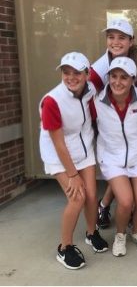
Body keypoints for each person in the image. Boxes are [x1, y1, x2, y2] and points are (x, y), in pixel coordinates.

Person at [39, 52, 108, 270]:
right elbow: (58, 143)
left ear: (87, 74)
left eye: (76, 72)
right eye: (66, 72)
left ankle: (91, 233)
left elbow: (109, 60)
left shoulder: (90, 90)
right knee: (77, 199)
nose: (70, 77)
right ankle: (65, 247)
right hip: (58, 155)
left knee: (91, 196)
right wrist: (72, 174)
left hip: (84, 150)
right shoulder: (52, 101)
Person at [89, 18, 137, 230]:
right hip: (110, 122)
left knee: (129, 163)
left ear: (131, 41)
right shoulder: (98, 68)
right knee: (119, 165)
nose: (115, 42)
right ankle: (106, 205)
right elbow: (88, 98)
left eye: (121, 37)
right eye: (111, 37)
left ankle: (112, 206)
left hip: (133, 119)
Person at [93, 57, 137, 257]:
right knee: (126, 202)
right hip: (112, 158)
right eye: (113, 76)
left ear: (133, 80)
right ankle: (120, 236)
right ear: (108, 77)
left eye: (124, 77)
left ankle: (136, 231)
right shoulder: (96, 101)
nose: (118, 82)